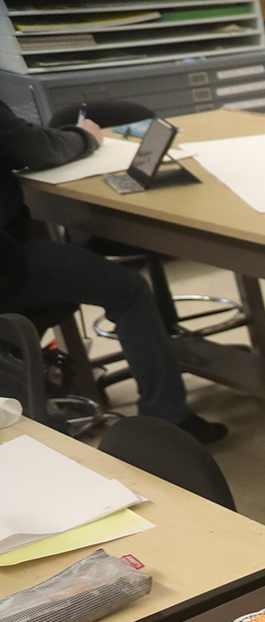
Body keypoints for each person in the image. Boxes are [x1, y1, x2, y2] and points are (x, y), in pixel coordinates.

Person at [0, 105, 228, 442]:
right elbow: (38, 148)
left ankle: (36, 378)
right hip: (9, 266)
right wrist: (85, 137)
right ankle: (169, 417)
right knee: (129, 291)